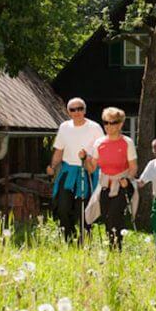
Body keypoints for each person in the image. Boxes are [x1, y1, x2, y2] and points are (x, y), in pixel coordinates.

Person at [46, 98, 103, 244]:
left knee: (83, 209)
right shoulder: (64, 127)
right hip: (68, 171)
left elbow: (101, 151)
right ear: (68, 111)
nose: (77, 112)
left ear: (84, 110)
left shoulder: (95, 127)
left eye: (80, 109)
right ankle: (68, 238)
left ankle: (84, 241)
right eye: (73, 109)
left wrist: (89, 158)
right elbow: (59, 150)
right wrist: (52, 167)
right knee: (62, 207)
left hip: (87, 172)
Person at [84, 107, 139, 250]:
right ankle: (112, 250)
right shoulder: (99, 143)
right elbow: (92, 168)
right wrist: (84, 159)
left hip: (122, 184)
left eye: (112, 123)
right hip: (104, 184)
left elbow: (133, 167)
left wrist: (127, 179)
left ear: (120, 124)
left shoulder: (127, 142)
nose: (108, 126)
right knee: (107, 218)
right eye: (105, 123)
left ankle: (116, 249)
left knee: (115, 216)